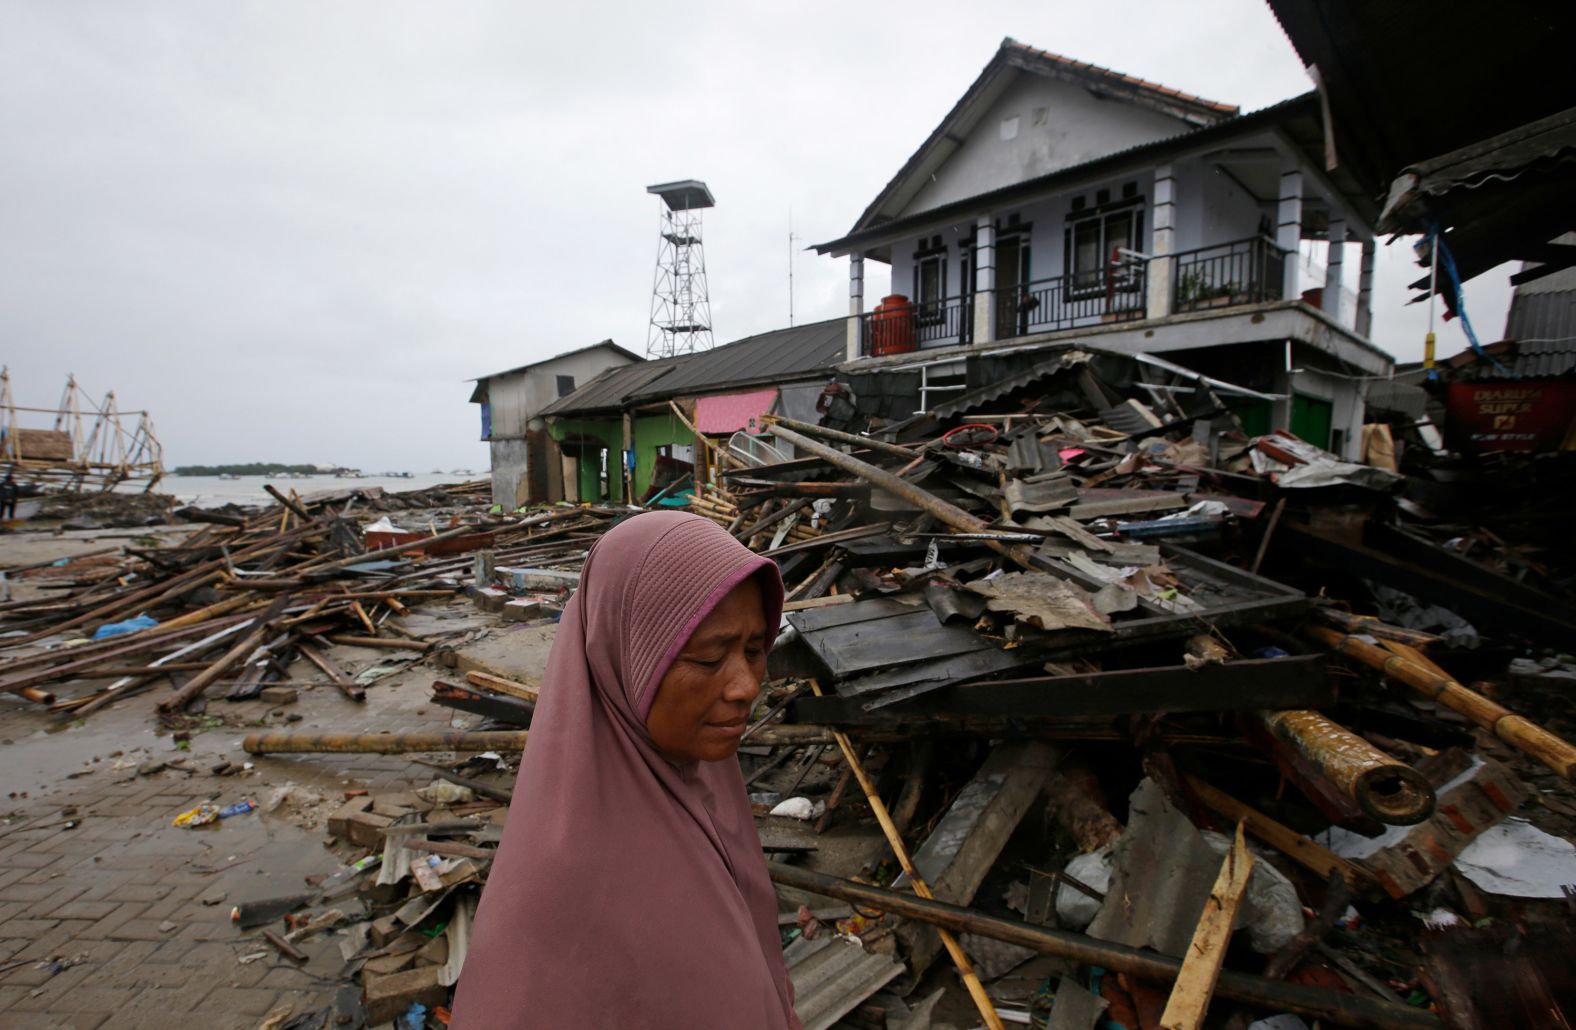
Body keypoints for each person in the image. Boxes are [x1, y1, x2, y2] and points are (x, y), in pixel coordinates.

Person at [451, 511, 800, 1030]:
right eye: (708, 659)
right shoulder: (560, 891)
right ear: (624, 659)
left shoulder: (707, 787)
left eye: (755, 651)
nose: (746, 686)